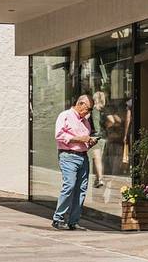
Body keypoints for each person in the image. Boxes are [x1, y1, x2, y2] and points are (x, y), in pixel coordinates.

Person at [51, 94, 96, 231]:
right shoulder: (65, 115)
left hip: (83, 156)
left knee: (81, 189)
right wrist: (80, 139)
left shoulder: (85, 122)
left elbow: (84, 141)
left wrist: (90, 142)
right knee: (69, 185)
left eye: (90, 110)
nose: (88, 112)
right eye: (88, 109)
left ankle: (73, 221)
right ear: (80, 104)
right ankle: (58, 219)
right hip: (68, 156)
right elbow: (59, 135)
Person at [89, 91, 107, 189]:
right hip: (104, 137)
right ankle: (97, 179)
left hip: (96, 137)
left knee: (97, 159)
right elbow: (112, 121)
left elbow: (95, 125)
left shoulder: (94, 110)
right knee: (99, 159)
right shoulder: (104, 110)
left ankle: (99, 179)